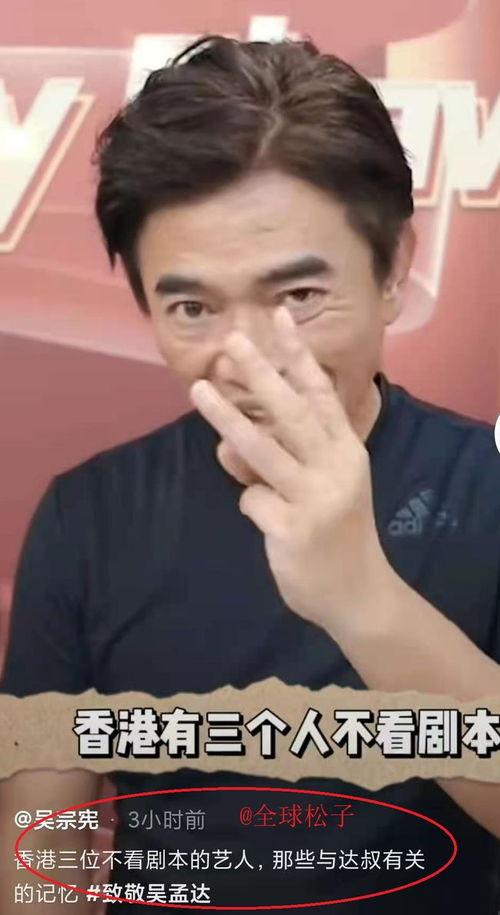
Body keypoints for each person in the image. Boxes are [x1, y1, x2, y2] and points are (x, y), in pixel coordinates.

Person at [1, 35, 500, 913]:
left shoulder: (483, 485)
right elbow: (45, 860)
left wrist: (359, 596)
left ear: (393, 269)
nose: (250, 356)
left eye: (299, 296)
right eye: (192, 306)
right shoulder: (92, 515)